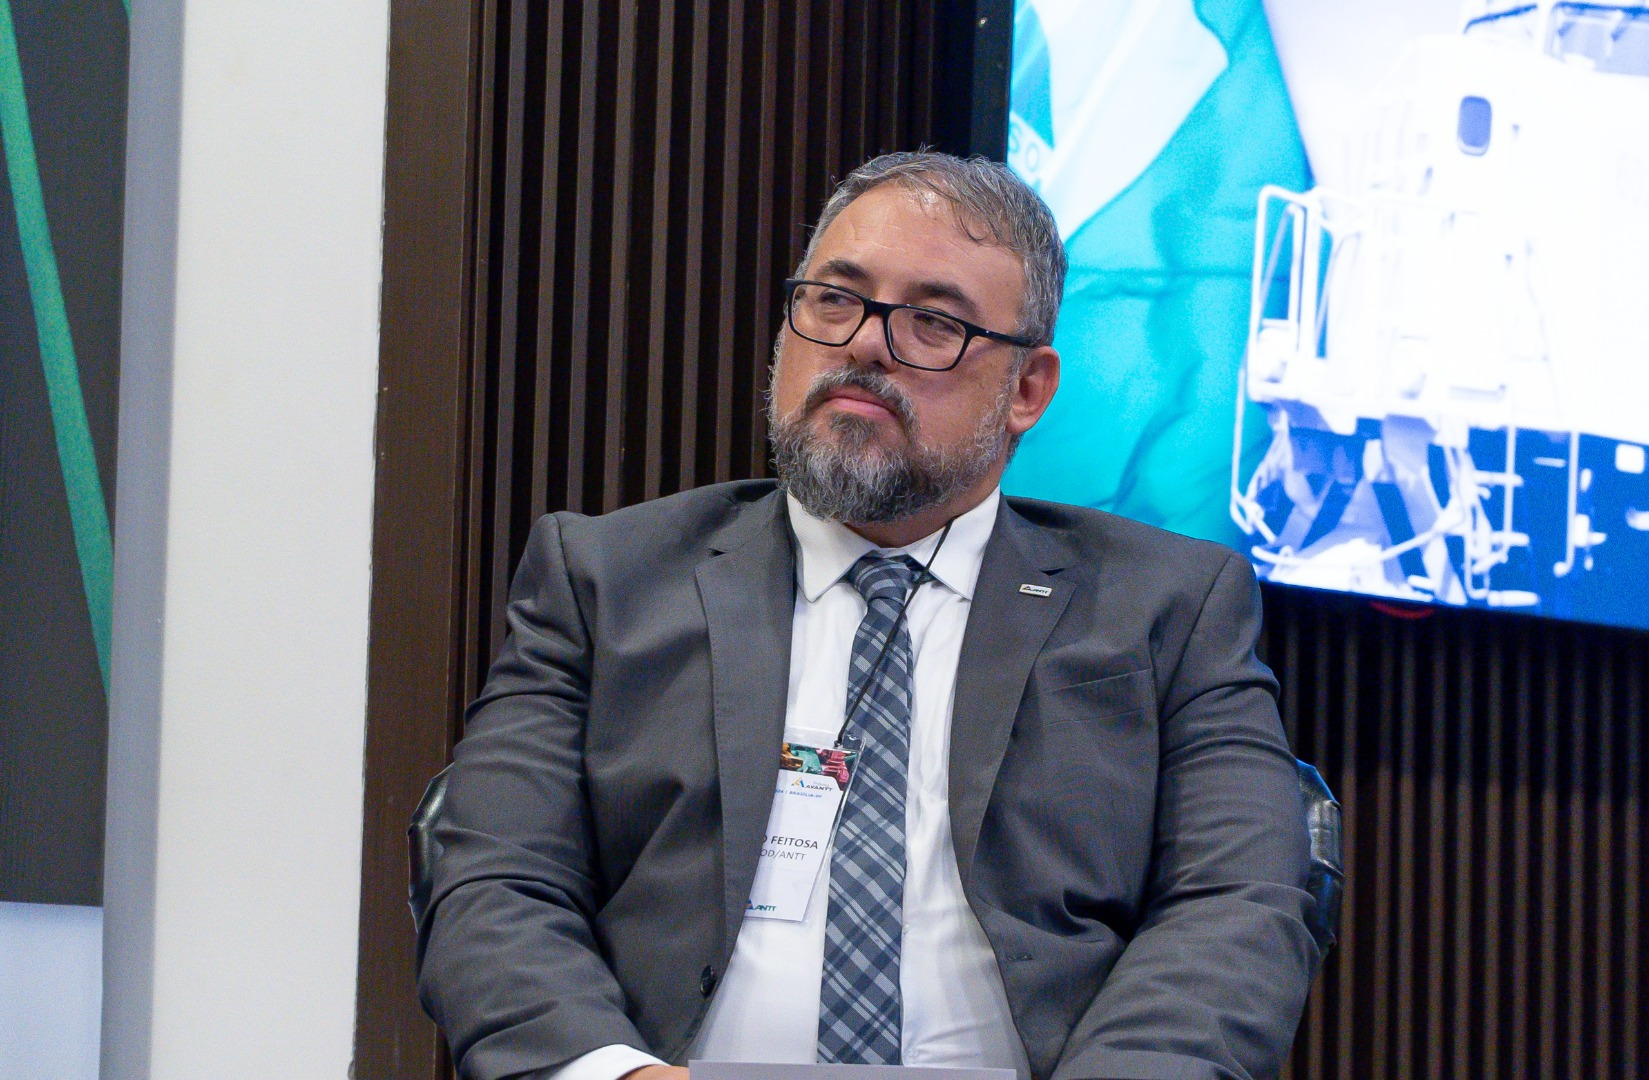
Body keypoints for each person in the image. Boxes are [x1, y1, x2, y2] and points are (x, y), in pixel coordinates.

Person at [415, 152, 1317, 1080]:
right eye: (835, 300)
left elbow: (1236, 903)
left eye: (933, 322)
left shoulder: (1167, 607)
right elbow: (496, 879)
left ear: (1026, 390)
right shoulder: (608, 582)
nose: (864, 345)